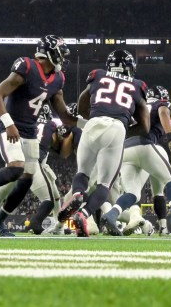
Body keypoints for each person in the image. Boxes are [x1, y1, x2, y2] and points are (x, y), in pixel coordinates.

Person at [0, 35, 76, 236]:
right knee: (16, 168)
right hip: (9, 126)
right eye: (61, 53)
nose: (63, 58)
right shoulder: (27, 66)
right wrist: (9, 124)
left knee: (26, 180)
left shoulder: (58, 79)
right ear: (50, 52)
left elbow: (64, 115)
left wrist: (88, 122)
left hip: (29, 131)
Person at [58, 49, 149, 237]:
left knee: (82, 173)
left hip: (93, 123)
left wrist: (89, 118)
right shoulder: (138, 85)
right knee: (104, 184)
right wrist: (124, 126)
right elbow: (145, 126)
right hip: (116, 127)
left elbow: (83, 102)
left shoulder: (97, 75)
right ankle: (83, 214)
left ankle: (77, 194)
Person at [104, 86, 171, 236]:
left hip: (125, 150)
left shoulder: (136, 107)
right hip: (145, 145)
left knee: (133, 194)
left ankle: (112, 214)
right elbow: (163, 112)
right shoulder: (161, 104)